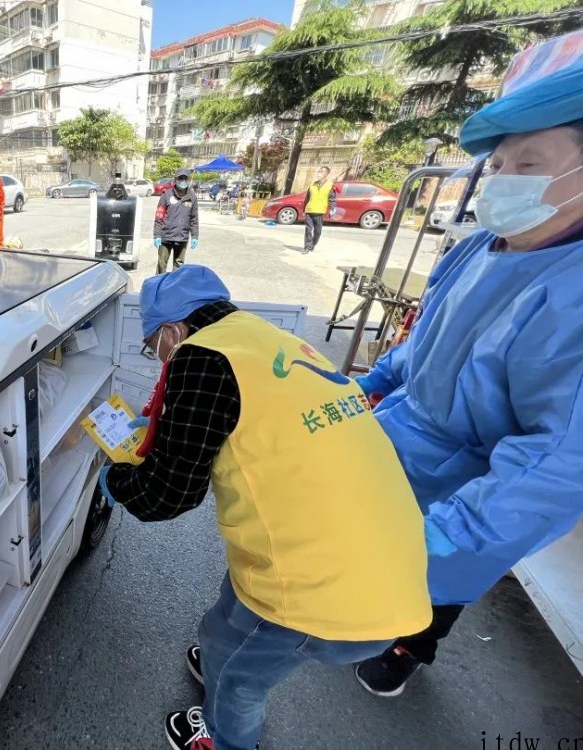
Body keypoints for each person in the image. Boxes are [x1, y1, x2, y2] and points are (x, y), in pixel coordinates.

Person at [99, 265, 432, 750]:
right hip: (395, 572)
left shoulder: (200, 357)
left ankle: (223, 736)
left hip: (321, 593)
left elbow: (165, 497)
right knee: (230, 613)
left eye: (155, 350)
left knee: (238, 678)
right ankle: (223, 654)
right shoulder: (270, 341)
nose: (160, 361)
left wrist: (113, 477)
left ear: (172, 332)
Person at [352, 52, 583, 698]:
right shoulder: (481, 247)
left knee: (429, 588)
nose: (503, 179)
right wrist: (373, 385)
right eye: (500, 164)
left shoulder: (573, 297)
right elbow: (428, 341)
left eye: (529, 164)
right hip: (396, 447)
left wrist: (440, 540)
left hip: (466, 485)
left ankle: (409, 645)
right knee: (367, 569)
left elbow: (551, 467)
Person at [154, 168, 200, 273]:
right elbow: (159, 216)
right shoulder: (166, 195)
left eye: (185, 178)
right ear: (175, 179)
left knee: (179, 265)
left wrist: (195, 236)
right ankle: (159, 286)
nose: (183, 180)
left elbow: (194, 218)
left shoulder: (192, 197)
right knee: (162, 264)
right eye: (180, 178)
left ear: (189, 180)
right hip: (166, 236)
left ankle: (174, 287)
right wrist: (157, 235)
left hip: (182, 237)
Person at [303, 166, 337, 253]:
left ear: (326, 174)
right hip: (310, 210)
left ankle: (313, 244)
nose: (320, 173)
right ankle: (307, 247)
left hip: (320, 212)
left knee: (318, 231)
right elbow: (307, 198)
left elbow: (332, 199)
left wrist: (332, 208)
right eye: (319, 171)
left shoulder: (330, 186)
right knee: (308, 230)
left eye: (322, 172)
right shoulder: (312, 185)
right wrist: (304, 210)